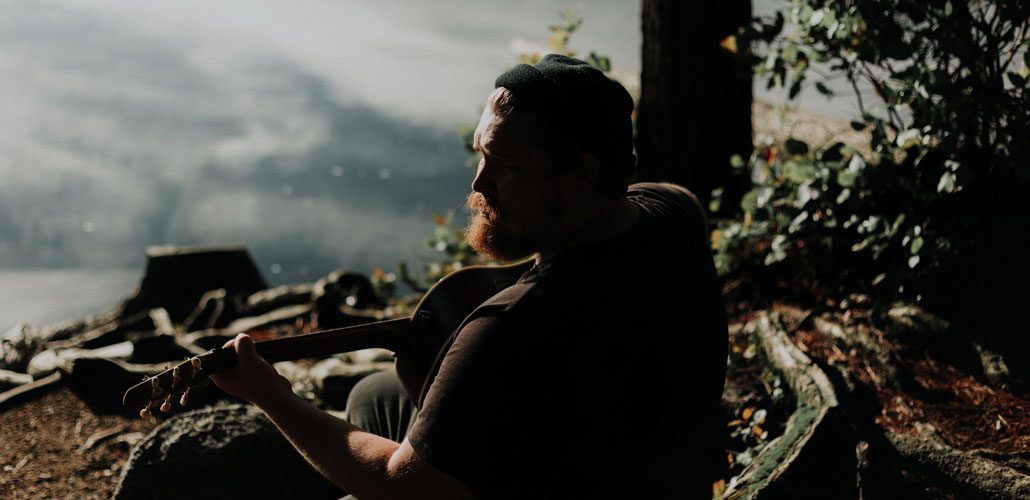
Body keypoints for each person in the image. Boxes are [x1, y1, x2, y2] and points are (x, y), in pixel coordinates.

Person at [211, 54, 728, 499]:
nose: (479, 184)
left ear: (582, 174)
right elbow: (668, 197)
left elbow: (404, 487)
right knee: (375, 395)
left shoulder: (512, 326)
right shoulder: (671, 213)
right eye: (481, 153)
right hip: (657, 469)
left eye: (504, 164)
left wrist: (270, 395)